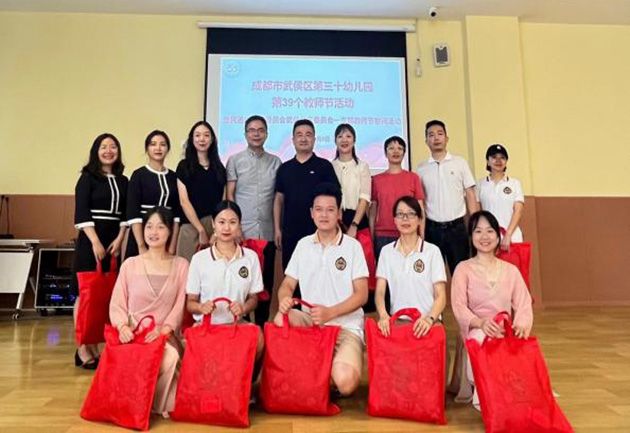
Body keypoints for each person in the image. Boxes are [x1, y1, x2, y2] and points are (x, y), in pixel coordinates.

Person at [275, 182, 368, 397]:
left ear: (339, 213)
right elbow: (287, 285)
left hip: (346, 327)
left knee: (345, 382)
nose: (324, 215)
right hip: (312, 324)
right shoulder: (303, 245)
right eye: (319, 209)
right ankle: (315, 370)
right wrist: (284, 299)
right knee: (281, 317)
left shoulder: (352, 247)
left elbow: (362, 294)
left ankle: (316, 372)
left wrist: (330, 313)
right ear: (311, 213)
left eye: (330, 210)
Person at [109, 207, 189, 416]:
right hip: (133, 335)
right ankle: (140, 401)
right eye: (149, 227)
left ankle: (152, 404)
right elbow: (117, 302)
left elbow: (180, 305)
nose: (154, 232)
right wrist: (122, 326)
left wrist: (165, 330)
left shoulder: (181, 265)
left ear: (170, 231)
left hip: (163, 335)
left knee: (170, 356)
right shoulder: (130, 264)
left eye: (160, 227)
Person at [451, 210, 533, 410]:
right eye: (478, 231)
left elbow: (523, 303)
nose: (484, 237)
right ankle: (487, 401)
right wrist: (480, 323)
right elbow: (459, 305)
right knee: (481, 340)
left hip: (504, 329)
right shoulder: (463, 269)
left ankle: (511, 397)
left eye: (489, 231)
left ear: (498, 236)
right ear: (471, 237)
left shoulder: (511, 271)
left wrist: (520, 326)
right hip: (476, 328)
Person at [185, 200, 265, 376]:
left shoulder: (250, 257)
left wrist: (244, 307)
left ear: (239, 225)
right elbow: (190, 303)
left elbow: (254, 298)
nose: (227, 228)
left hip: (236, 325)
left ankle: (246, 383)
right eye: (221, 222)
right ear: (213, 224)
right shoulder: (200, 259)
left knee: (258, 336)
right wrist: (201, 307)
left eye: (232, 222)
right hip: (207, 326)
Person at [72, 133, 128, 369]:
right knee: (86, 293)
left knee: (105, 295)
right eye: (103, 147)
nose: (108, 151)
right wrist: (95, 241)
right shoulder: (87, 178)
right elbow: (81, 213)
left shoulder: (123, 180)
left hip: (114, 240)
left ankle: (95, 344)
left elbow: (126, 214)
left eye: (113, 147)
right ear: (96, 151)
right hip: (90, 240)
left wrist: (120, 239)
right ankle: (82, 347)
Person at [226, 115, 281, 326]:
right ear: (245, 134)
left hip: (267, 232)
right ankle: (241, 325)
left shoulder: (276, 162)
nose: (256, 134)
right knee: (241, 282)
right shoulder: (235, 160)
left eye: (260, 130)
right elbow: (230, 195)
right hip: (243, 234)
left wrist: (278, 228)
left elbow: (278, 199)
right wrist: (235, 227)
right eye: (251, 130)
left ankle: (261, 326)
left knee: (265, 284)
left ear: (266, 134)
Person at [375, 196, 446, 337]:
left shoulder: (432, 251)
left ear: (420, 219)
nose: (405, 219)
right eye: (400, 214)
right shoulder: (386, 252)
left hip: (427, 323)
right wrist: (383, 315)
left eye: (411, 214)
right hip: (398, 322)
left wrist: (430, 319)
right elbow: (380, 292)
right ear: (394, 220)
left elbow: (441, 295)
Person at [274, 119, 340, 271]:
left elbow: (336, 198)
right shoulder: (285, 168)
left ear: (314, 139)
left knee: (318, 274)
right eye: (299, 135)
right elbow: (278, 200)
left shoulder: (324, 166)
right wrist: (277, 229)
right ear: (293, 140)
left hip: (318, 232)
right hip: (290, 233)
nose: (304, 138)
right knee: (291, 274)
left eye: (308, 135)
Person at [417, 120, 479, 274]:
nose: (436, 138)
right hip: (432, 229)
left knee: (461, 273)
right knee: (432, 274)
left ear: (446, 138)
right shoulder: (421, 169)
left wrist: (476, 225)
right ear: (426, 141)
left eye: (440, 134)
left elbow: (470, 194)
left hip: (457, 228)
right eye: (431, 135)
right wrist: (421, 232)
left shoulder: (460, 163)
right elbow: (421, 202)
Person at [125, 130, 182, 259]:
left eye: (163, 144)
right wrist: (141, 245)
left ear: (168, 149)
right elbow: (133, 212)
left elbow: (177, 214)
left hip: (166, 236)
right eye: (153, 144)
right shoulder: (138, 175)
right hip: (141, 236)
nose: (158, 148)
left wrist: (172, 244)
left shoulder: (173, 177)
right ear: (147, 148)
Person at [176, 121, 226, 261]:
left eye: (206, 135)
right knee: (187, 269)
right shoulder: (184, 166)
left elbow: (223, 201)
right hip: (191, 227)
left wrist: (216, 231)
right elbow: (184, 201)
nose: (202, 139)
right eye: (197, 135)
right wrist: (201, 230)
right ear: (192, 140)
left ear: (212, 139)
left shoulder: (219, 168)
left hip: (215, 228)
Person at [370, 136, 425, 259]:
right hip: (383, 235)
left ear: (404, 153)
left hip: (410, 233)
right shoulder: (376, 180)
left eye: (400, 148)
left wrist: (421, 234)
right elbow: (373, 211)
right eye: (391, 148)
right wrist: (372, 235)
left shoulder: (413, 178)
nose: (396, 151)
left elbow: (420, 209)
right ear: (385, 153)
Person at [476, 144, 525, 249]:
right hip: (488, 239)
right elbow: (477, 213)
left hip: (512, 238)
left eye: (502, 157)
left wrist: (508, 235)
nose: (498, 161)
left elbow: (518, 211)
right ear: (488, 161)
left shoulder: (514, 183)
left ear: (506, 162)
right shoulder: (480, 184)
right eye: (494, 157)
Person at [331, 123, 371, 237]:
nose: (344, 140)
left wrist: (354, 225)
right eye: (340, 136)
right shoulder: (330, 166)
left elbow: (364, 198)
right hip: (335, 221)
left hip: (358, 220)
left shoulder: (362, 166)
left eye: (348, 136)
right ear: (335, 141)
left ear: (354, 141)